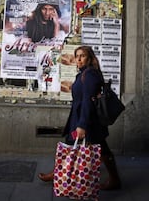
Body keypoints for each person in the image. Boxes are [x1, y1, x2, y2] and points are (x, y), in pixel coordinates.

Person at [38, 45, 121, 191]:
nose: (79, 59)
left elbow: (88, 101)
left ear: (89, 58)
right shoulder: (84, 73)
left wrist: (82, 124)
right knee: (89, 146)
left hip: (86, 120)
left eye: (82, 56)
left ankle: (60, 175)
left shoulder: (89, 75)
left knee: (75, 145)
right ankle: (114, 179)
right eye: (77, 56)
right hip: (85, 118)